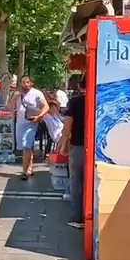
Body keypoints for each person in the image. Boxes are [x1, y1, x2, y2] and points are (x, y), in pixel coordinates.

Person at [56, 75, 86, 229]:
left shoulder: (75, 101)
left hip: (78, 145)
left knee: (76, 180)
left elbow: (67, 126)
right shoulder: (100, 99)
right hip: (97, 148)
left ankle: (78, 217)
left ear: (80, 86)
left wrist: (64, 144)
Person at [8, 76, 48, 179]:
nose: (25, 84)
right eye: (23, 82)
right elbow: (10, 109)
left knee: (26, 145)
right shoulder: (17, 94)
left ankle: (25, 170)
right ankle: (29, 168)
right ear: (20, 84)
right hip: (20, 123)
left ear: (31, 83)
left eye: (27, 82)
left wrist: (39, 116)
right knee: (26, 147)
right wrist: (14, 98)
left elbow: (46, 107)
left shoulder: (37, 93)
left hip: (31, 123)